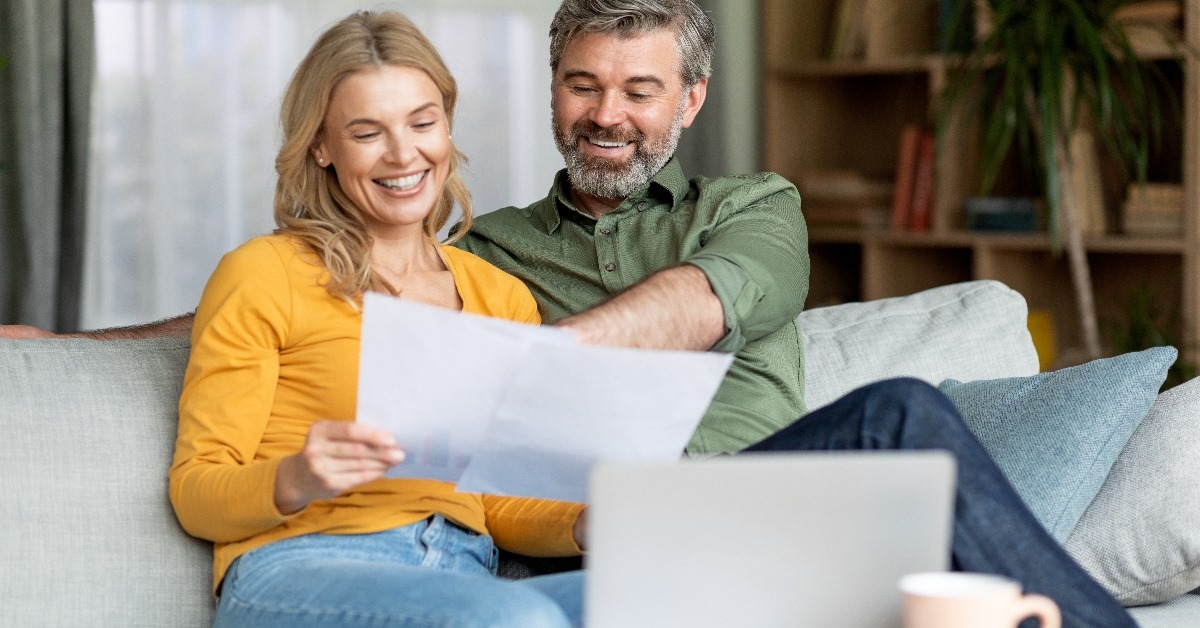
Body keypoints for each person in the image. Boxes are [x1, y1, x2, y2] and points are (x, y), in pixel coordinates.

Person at [3, 2, 1136, 626]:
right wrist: (70, 347)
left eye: (639, 91)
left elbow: (692, 315)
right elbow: (256, 360)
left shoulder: (726, 215)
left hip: (650, 511)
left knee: (886, 429)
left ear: (689, 102)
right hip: (350, 556)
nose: (609, 115)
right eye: (585, 86)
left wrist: (544, 394)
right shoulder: (428, 258)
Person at [169, 10, 585, 627]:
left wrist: (587, 520)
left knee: (670, 600)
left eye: (423, 122)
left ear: (446, 127)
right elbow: (196, 491)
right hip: (300, 568)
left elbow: (499, 501)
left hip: (466, 575)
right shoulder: (265, 272)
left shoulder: (500, 297)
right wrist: (297, 476)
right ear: (321, 146)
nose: (403, 153)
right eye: (367, 133)